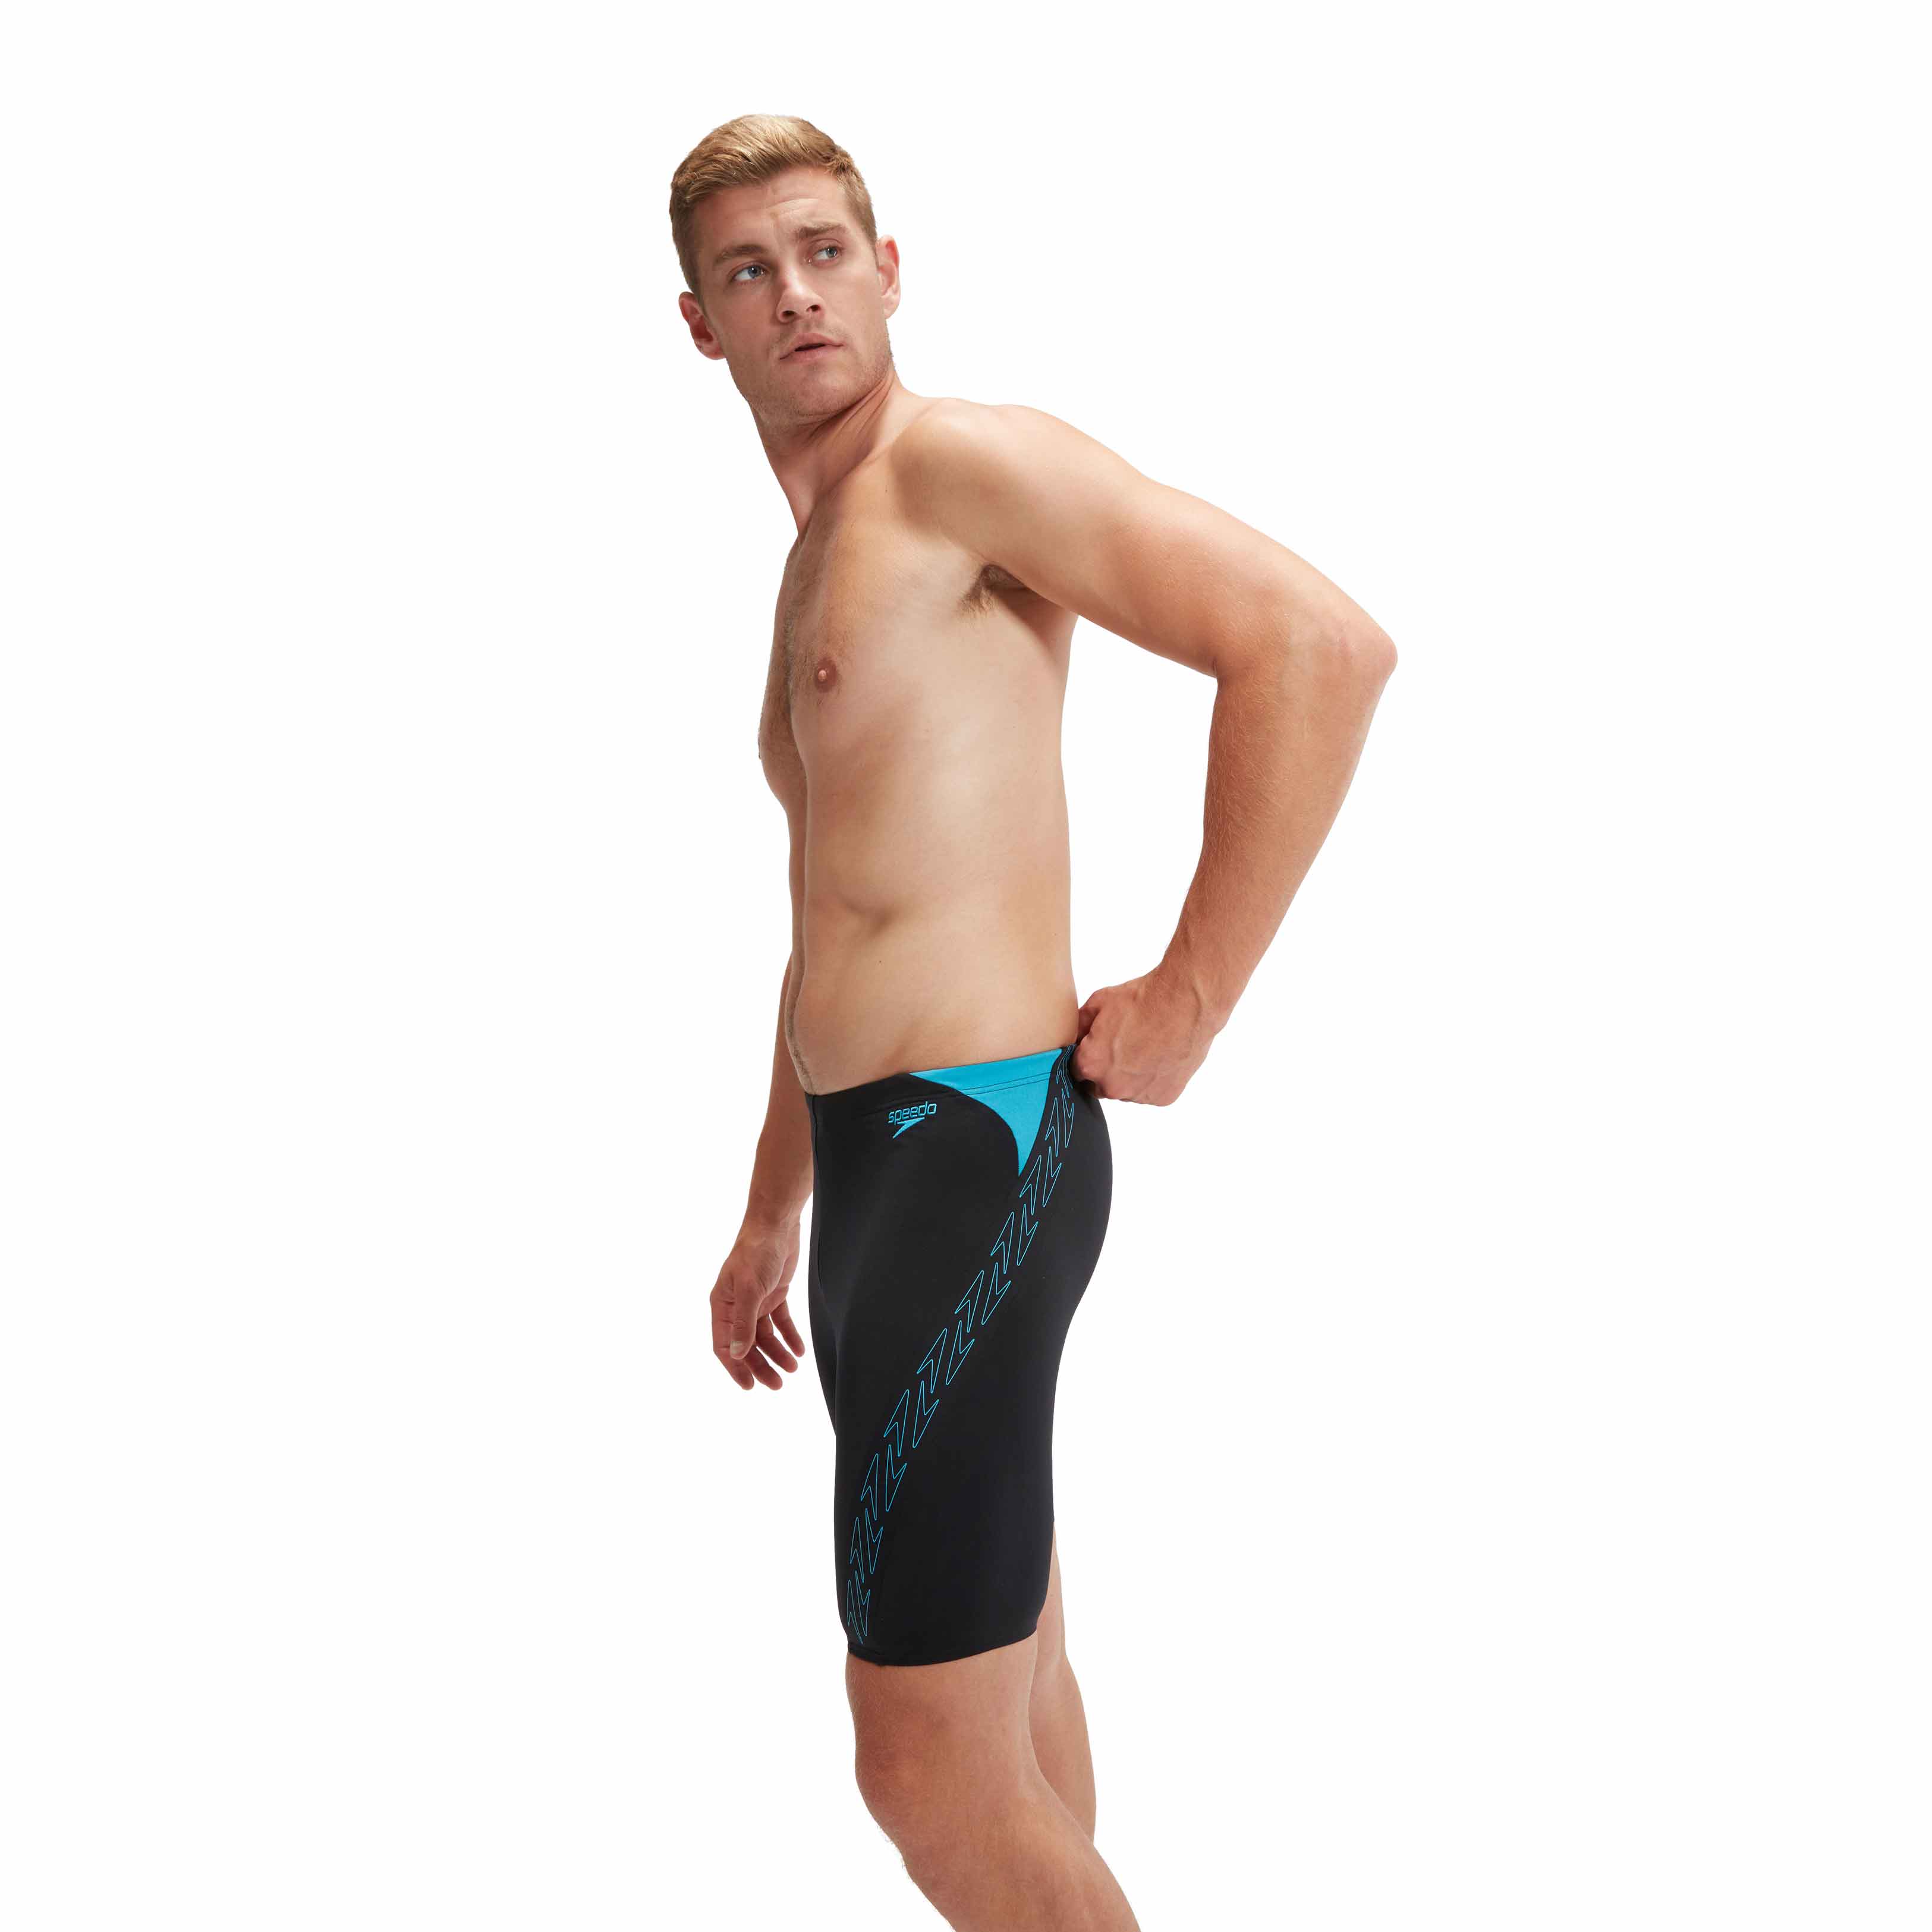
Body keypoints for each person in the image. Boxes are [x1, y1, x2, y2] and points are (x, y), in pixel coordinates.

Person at [673, 114, 1395, 1931]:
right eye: (749, 269)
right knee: (1000, 1703)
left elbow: (1313, 646)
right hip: (878, 1177)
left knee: (921, 1766)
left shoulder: (957, 466)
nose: (795, 294)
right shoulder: (816, 561)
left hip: (977, 1140)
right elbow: (827, 918)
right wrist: (769, 1208)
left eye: (823, 250)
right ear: (700, 324)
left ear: (888, 270)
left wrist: (1192, 995)